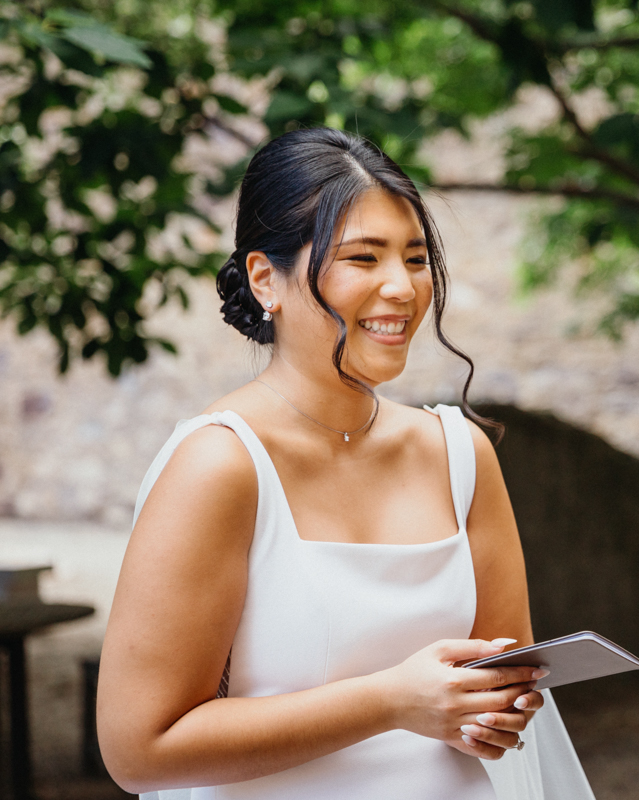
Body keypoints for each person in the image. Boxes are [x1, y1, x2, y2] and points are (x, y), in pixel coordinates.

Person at [97, 127, 593, 800]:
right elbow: (139, 749)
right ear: (266, 278)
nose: (402, 288)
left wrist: (494, 707)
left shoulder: (460, 454)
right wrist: (391, 701)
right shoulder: (220, 466)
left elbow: (502, 679)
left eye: (416, 259)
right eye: (364, 258)